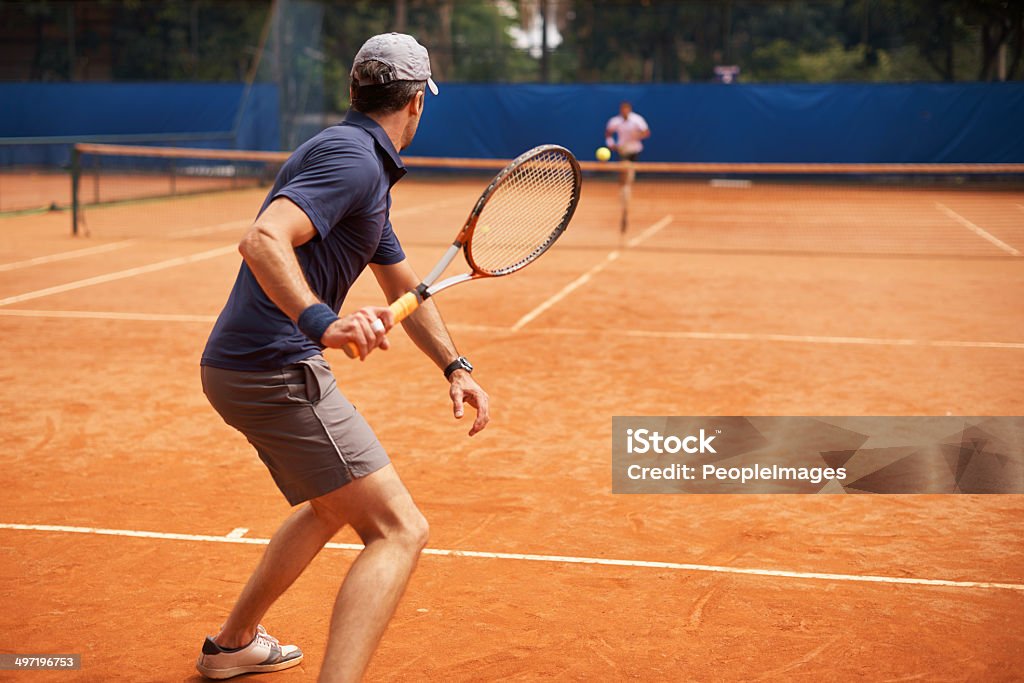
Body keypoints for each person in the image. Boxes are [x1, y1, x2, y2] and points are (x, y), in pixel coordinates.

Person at [195, 33, 489, 682]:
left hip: (242, 364)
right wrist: (323, 322)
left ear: (356, 92)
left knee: (332, 504)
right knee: (399, 528)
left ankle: (233, 643)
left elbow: (407, 290)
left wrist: (455, 366)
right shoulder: (353, 160)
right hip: (276, 366)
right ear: (416, 103)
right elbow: (262, 238)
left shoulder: (362, 169)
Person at [604, 101, 650, 234]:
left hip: (634, 151)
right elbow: (608, 133)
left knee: (630, 177)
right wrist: (611, 143)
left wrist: (638, 135)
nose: (625, 112)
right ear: (620, 110)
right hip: (622, 151)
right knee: (623, 177)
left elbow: (646, 132)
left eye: (626, 110)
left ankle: (626, 191)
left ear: (629, 110)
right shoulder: (615, 121)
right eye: (622, 110)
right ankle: (624, 194)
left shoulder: (637, 120)